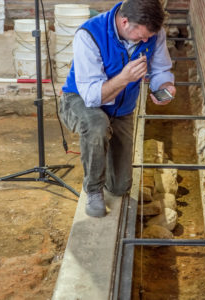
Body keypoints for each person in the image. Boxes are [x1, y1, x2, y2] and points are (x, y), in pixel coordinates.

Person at [59, 0, 176, 218]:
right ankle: (93, 189)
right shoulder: (89, 35)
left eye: (149, 36)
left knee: (120, 187)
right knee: (97, 125)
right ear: (124, 22)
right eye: (141, 36)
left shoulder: (152, 32)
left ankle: (109, 178)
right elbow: (92, 96)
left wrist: (165, 86)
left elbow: (160, 69)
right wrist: (124, 78)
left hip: (122, 108)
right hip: (80, 100)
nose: (145, 40)